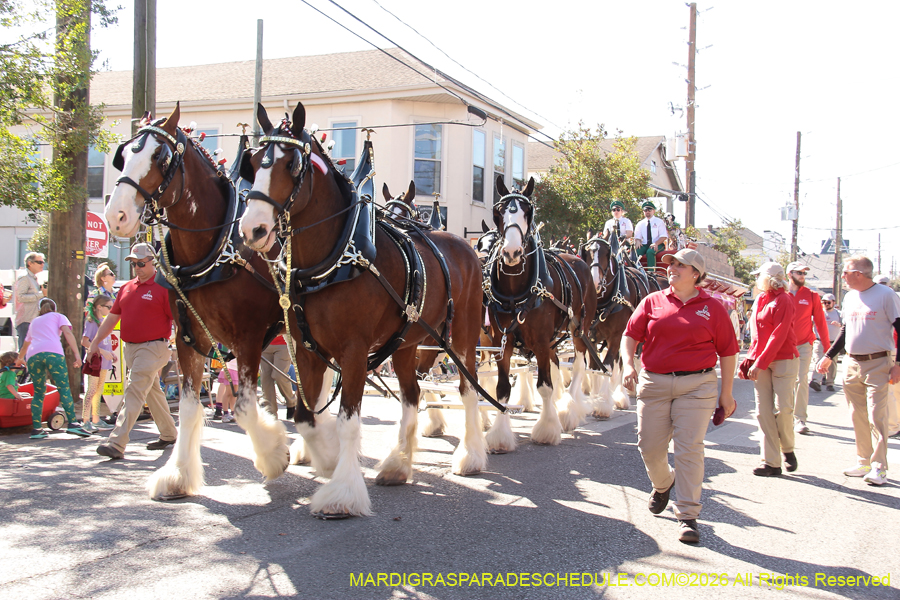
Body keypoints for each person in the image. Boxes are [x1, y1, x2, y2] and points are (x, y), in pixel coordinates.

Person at [622, 248, 738, 544]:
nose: (671, 268)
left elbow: (728, 351)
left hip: (697, 387)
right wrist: (628, 364)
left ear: (696, 274)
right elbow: (630, 335)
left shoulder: (712, 308)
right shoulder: (652, 301)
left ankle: (687, 515)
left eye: (680, 265)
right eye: (670, 263)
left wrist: (726, 394)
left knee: (689, 449)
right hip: (654, 383)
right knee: (649, 447)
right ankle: (664, 484)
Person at [87, 243, 177, 459]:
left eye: (141, 263)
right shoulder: (126, 287)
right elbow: (112, 318)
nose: (137, 267)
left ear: (153, 262)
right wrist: (95, 343)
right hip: (131, 348)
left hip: (154, 347)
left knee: (134, 390)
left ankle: (117, 443)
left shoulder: (164, 288)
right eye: (134, 263)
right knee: (151, 391)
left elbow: (178, 319)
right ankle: (169, 433)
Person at [816, 256, 900, 486]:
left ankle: (879, 467)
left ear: (858, 274)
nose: (842, 276)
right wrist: (828, 356)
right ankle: (863, 461)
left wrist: (898, 365)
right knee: (857, 414)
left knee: (876, 415)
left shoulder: (886, 295)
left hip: (879, 362)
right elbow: (845, 331)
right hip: (852, 363)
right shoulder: (850, 297)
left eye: (845, 272)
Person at [743, 262, 800, 476]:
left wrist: (760, 362)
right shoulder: (760, 299)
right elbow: (756, 334)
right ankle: (771, 462)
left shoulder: (785, 299)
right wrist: (750, 359)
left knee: (783, 409)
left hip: (784, 358)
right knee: (763, 412)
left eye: (758, 276)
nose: (756, 279)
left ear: (767, 278)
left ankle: (788, 448)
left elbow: (780, 334)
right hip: (761, 360)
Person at [14, 298, 91, 439]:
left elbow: (26, 342)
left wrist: (20, 358)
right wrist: (77, 355)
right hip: (53, 353)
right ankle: (73, 424)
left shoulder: (34, 322)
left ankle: (37, 429)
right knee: (63, 388)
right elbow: (67, 333)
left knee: (38, 392)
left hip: (33, 355)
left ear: (39, 309)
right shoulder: (59, 316)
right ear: (54, 308)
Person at [785, 262, 829, 435]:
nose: (803, 276)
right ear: (790, 274)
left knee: (801, 379)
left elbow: (820, 322)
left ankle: (800, 419)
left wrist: (828, 349)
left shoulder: (811, 295)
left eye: (804, 273)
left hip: (804, 344)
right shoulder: (781, 293)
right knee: (784, 380)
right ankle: (784, 415)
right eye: (799, 273)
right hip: (783, 345)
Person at [81, 295, 116, 433]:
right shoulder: (91, 322)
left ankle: (96, 419)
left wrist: (110, 353)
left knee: (98, 391)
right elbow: (85, 341)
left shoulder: (104, 321)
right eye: (109, 307)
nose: (111, 309)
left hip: (104, 362)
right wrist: (103, 352)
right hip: (95, 362)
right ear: (99, 307)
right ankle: (85, 420)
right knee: (91, 390)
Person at [260, 334, 296, 419]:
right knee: (266, 378)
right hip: (265, 343)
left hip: (283, 343)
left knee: (279, 375)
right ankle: (270, 412)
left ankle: (291, 401)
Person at [810, 293, 842, 392]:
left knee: (832, 363)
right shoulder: (819, 313)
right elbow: (810, 324)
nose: (826, 304)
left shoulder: (838, 314)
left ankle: (830, 383)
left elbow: (845, 326)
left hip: (833, 343)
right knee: (818, 360)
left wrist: (839, 325)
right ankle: (816, 381)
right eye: (824, 302)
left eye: (828, 302)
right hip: (819, 341)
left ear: (833, 302)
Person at [14, 252, 45, 349]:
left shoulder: (32, 278)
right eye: (39, 262)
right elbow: (20, 297)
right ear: (30, 263)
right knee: (24, 350)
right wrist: (41, 294)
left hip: (32, 319)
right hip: (26, 319)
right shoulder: (24, 277)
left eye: (43, 262)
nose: (42, 264)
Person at [633, 200, 668, 268]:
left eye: (649, 210)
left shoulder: (659, 222)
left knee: (650, 252)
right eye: (645, 210)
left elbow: (663, 236)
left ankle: (651, 272)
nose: (647, 212)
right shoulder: (640, 223)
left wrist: (656, 243)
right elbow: (637, 237)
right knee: (636, 252)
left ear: (653, 211)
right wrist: (638, 241)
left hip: (658, 244)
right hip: (645, 244)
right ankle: (635, 271)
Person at [216, 357, 238, 423]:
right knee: (228, 392)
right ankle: (225, 413)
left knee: (234, 393)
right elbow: (224, 359)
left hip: (237, 370)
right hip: (230, 370)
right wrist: (226, 370)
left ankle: (233, 412)